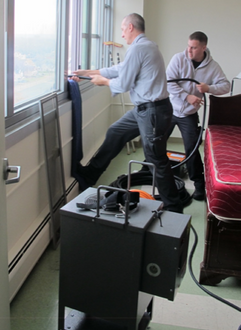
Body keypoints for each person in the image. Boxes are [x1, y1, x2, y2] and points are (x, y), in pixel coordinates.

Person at [72, 13, 183, 213]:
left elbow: (123, 82)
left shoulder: (140, 48)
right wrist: (90, 72)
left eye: (123, 30)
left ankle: (174, 207)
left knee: (155, 157)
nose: (122, 35)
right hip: (144, 110)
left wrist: (103, 82)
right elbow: (121, 68)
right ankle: (89, 175)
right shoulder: (146, 46)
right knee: (116, 132)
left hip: (153, 112)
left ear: (130, 27)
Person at [166, 31, 230, 201]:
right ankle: (153, 173)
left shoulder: (212, 66)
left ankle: (199, 185)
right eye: (188, 46)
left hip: (188, 115)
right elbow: (168, 82)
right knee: (155, 143)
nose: (189, 50)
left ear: (203, 47)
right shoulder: (178, 59)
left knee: (192, 150)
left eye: (193, 48)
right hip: (169, 110)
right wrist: (187, 96)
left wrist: (209, 88)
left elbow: (226, 86)